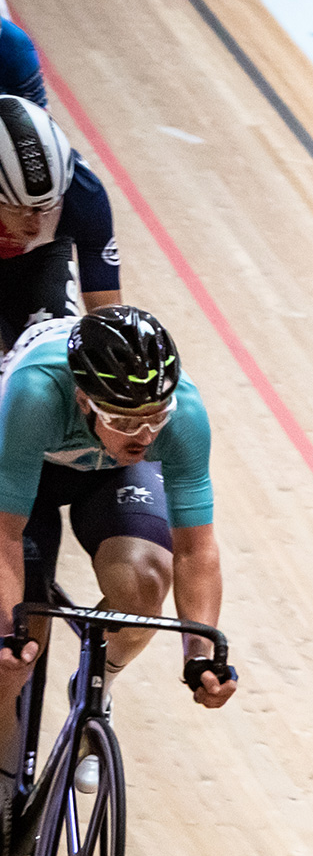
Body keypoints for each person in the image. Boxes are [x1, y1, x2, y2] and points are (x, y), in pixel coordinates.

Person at [0, 308, 238, 797]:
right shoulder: (35, 394)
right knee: (19, 646)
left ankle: (97, 685)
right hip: (27, 474)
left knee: (145, 583)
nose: (146, 435)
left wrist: (201, 655)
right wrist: (8, 632)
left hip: (108, 477)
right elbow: (4, 534)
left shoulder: (183, 412)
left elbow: (195, 548)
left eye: (155, 418)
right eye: (126, 420)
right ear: (84, 400)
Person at [0, 19, 122, 318]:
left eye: (45, 207)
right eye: (23, 209)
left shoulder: (82, 197)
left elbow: (106, 318)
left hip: (36, 259)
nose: (35, 225)